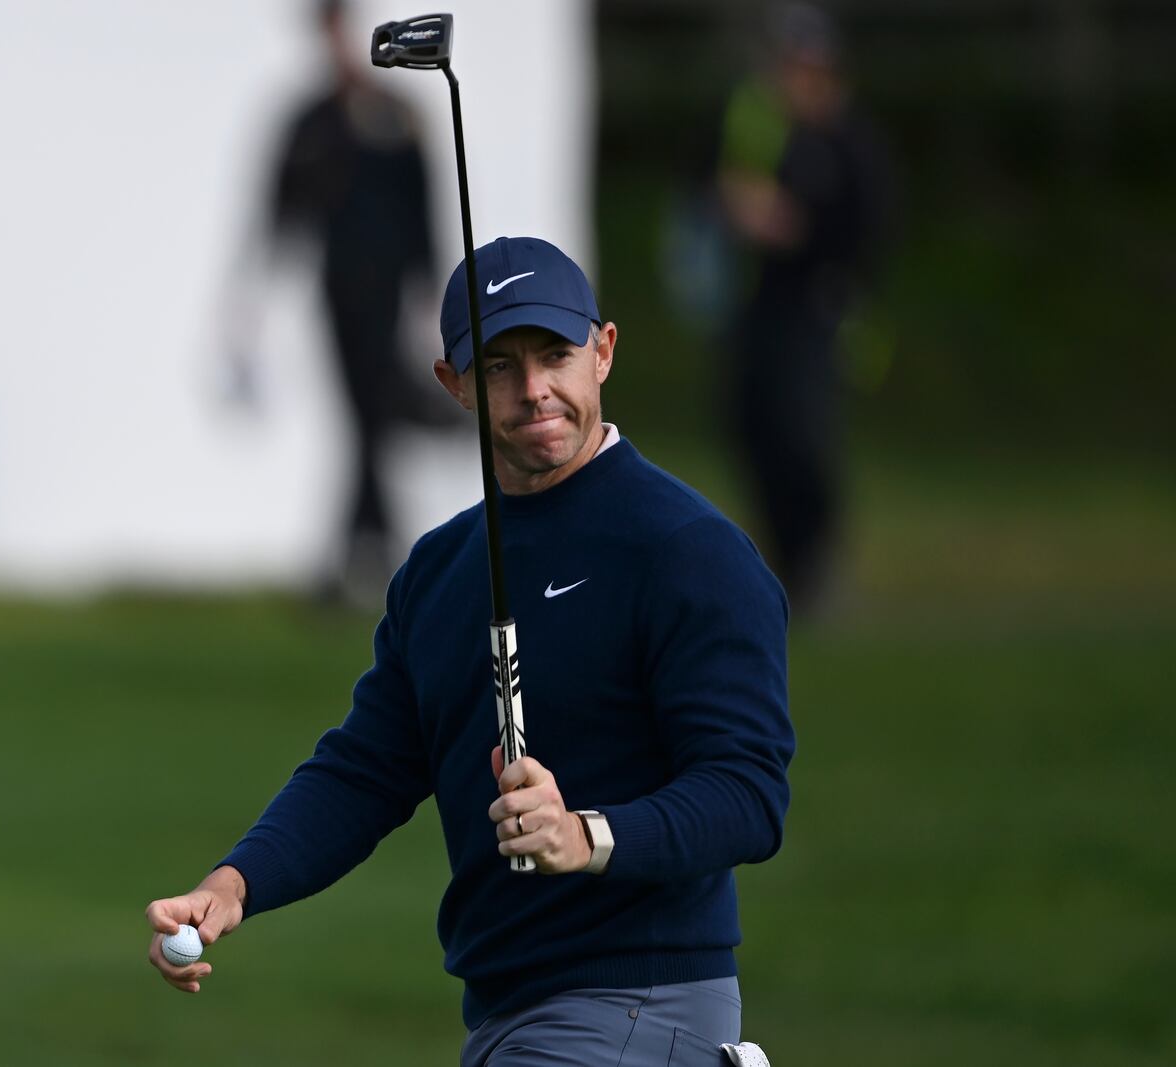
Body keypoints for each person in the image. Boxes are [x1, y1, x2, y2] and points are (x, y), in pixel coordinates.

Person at [148, 237, 796, 1065]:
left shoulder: (689, 550)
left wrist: (586, 836)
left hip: (643, 1006)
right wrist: (231, 886)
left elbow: (746, 792)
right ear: (453, 385)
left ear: (602, 352)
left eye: (555, 355)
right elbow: (366, 769)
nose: (534, 390)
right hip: (507, 1016)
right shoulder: (440, 570)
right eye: (497, 366)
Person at [236, 0, 445, 605]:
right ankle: (377, 550)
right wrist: (253, 294)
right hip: (339, 292)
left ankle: (359, 554)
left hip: (387, 293)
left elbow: (421, 200)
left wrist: (430, 290)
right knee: (364, 422)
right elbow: (282, 208)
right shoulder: (312, 121)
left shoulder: (396, 115)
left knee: (370, 421)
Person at [715, 3, 892, 614]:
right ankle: (783, 557)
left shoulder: (849, 142)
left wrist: (793, 226)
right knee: (751, 424)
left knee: (803, 434)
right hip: (761, 307)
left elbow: (867, 233)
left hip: (816, 311)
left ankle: (815, 559)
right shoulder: (766, 128)